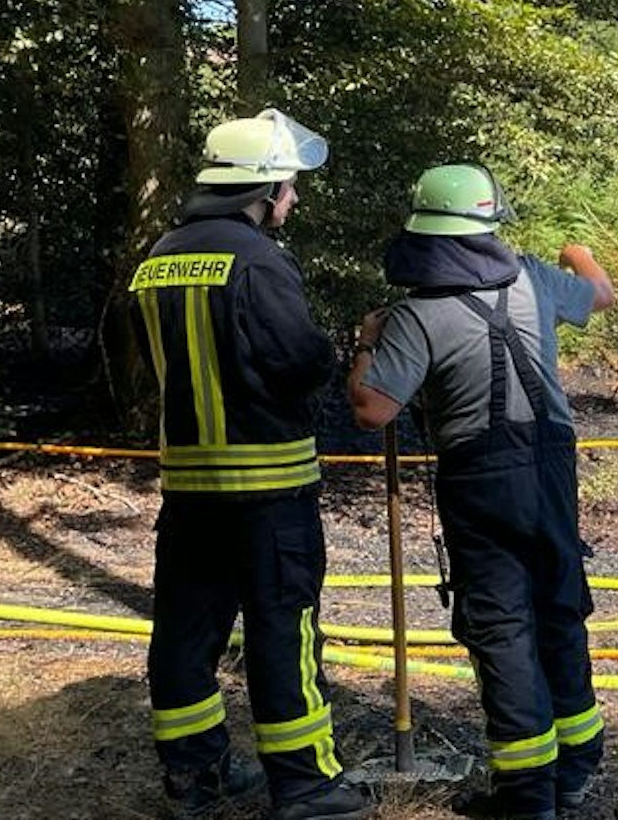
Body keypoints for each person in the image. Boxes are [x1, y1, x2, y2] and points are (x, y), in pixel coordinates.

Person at [346, 162, 616, 820]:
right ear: (489, 226)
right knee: (557, 607)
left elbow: (371, 409)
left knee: (501, 627)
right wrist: (577, 252)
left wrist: (364, 344)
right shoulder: (533, 276)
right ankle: (577, 765)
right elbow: (600, 293)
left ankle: (527, 797)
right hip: (554, 468)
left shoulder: (414, 315)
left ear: (425, 235)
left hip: (481, 475)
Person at [129, 109, 372, 820]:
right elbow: (300, 360)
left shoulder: (158, 256)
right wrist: (339, 352)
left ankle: (194, 778)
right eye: (289, 188)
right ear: (262, 191)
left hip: (189, 488)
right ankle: (305, 785)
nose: (293, 201)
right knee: (281, 628)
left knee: (185, 631)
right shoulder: (259, 260)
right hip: (269, 489)